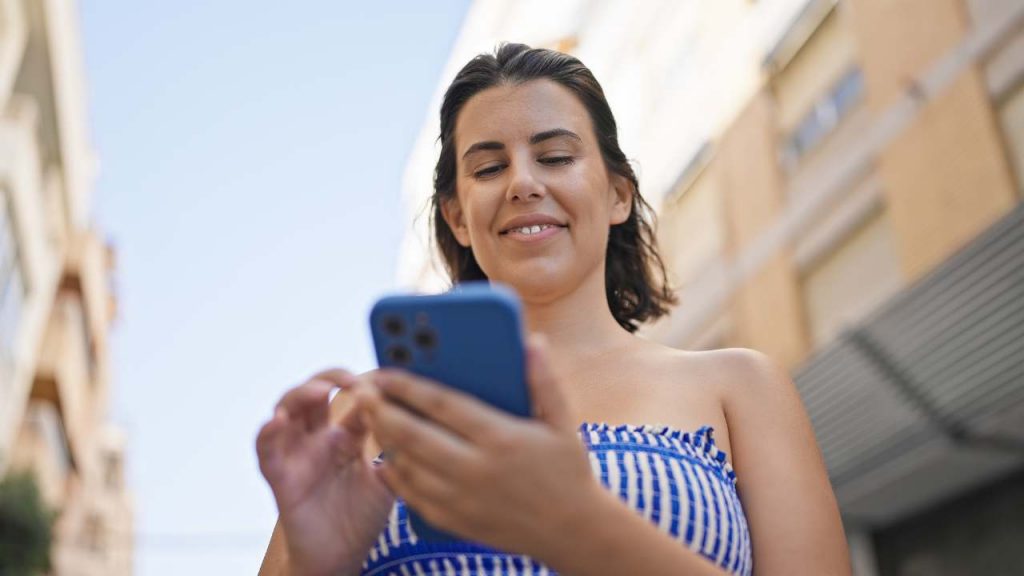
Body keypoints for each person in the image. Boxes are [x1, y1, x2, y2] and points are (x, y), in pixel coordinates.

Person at [256, 43, 851, 576]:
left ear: (618, 194)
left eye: (557, 157)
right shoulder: (366, 417)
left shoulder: (739, 388)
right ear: (458, 216)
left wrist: (578, 527)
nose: (522, 183)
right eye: (488, 168)